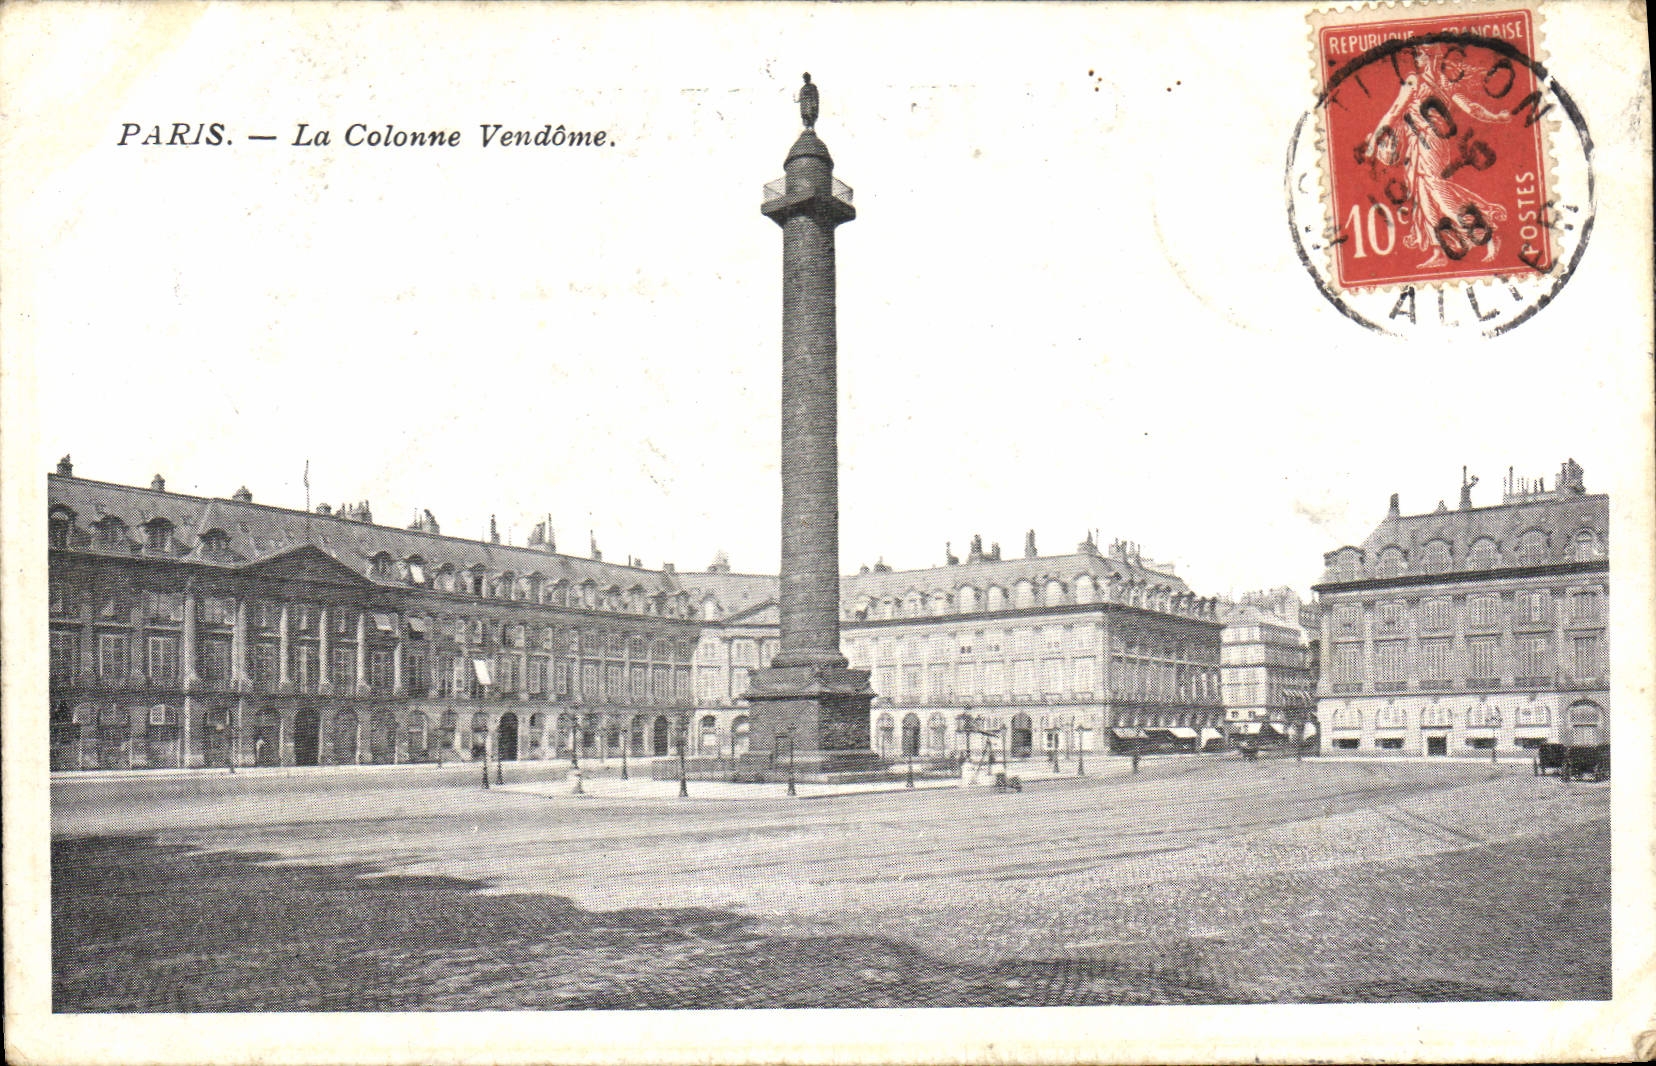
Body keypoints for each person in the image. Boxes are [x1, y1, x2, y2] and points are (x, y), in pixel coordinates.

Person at [1357, 44, 1522, 268]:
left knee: (1440, 193)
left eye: (1423, 54)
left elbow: (1471, 108)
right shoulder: (1420, 82)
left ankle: (1487, 234)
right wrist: (1376, 139)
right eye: (1417, 54)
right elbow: (1394, 112)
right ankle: (1439, 251)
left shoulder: (1439, 83)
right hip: (1416, 146)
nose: (1418, 58)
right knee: (1424, 197)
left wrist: (1496, 118)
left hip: (1433, 143)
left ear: (1434, 57)